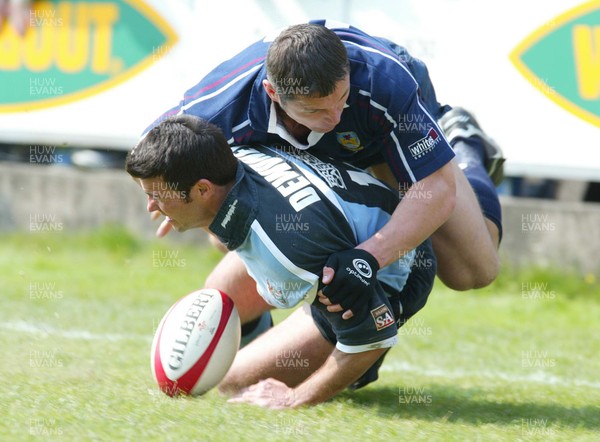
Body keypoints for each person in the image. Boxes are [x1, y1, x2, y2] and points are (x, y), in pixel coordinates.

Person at [145, 20, 504, 378]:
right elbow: (154, 148)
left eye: (341, 99)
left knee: (472, 271)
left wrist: (367, 259)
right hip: (293, 158)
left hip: (374, 144)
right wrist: (170, 193)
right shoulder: (219, 109)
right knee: (223, 234)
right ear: (272, 93)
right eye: (315, 110)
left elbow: (437, 189)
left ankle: (464, 141)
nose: (334, 116)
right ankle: (280, 345)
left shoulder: (382, 79)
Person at [126, 114, 436, 407]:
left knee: (232, 381)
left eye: (158, 195)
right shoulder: (231, 155)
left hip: (396, 267)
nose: (151, 204)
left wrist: (294, 397)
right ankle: (288, 346)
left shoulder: (290, 252)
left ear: (203, 189)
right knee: (220, 293)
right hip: (350, 223)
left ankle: (344, 359)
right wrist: (178, 208)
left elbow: (374, 337)